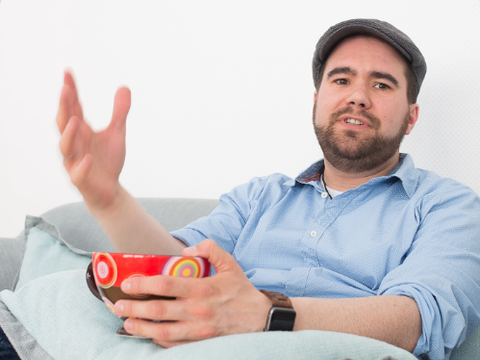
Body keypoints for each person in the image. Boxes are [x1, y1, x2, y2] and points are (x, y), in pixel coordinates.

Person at [50, 18, 480, 360]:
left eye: (382, 84)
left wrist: (267, 314)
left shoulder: (449, 206)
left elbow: (419, 320)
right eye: (342, 80)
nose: (359, 97)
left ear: (411, 117)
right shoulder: (259, 196)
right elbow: (175, 267)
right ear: (316, 101)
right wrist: (109, 199)